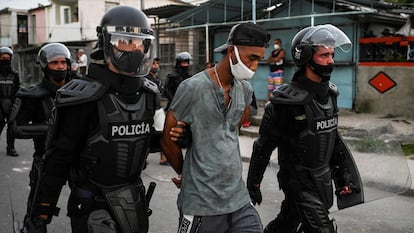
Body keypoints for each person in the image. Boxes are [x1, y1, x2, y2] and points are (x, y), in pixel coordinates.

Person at [22, 6, 159, 233]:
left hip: (133, 200)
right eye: (124, 41)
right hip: (92, 202)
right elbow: (58, 159)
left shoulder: (148, 94)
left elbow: (141, 139)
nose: (133, 49)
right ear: (107, 43)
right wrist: (41, 211)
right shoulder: (83, 96)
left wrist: (178, 138)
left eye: (138, 43)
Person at [247, 24, 363, 233]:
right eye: (324, 55)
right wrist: (254, 184)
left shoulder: (330, 96)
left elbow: (332, 139)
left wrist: (342, 178)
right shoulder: (285, 103)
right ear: (306, 57)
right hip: (298, 182)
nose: (331, 61)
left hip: (321, 179)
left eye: (332, 54)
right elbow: (263, 148)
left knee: (288, 222)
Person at [161, 22, 270, 233]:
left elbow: (234, 127)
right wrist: (186, 174)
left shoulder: (245, 90)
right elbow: (167, 140)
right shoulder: (192, 87)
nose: (255, 67)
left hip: (238, 199)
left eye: (259, 59)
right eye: (252, 58)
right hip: (201, 203)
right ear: (232, 51)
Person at [11, 42, 72, 231]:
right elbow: (16, 128)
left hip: (77, 161)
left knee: (87, 210)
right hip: (46, 160)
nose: (61, 67)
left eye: (64, 62)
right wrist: (51, 128)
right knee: (38, 214)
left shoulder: (79, 90)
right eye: (55, 63)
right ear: (45, 66)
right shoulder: (33, 95)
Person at [145, 57, 168, 165]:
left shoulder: (157, 80)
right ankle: (142, 158)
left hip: (158, 110)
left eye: (157, 63)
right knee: (145, 134)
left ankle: (163, 157)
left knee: (164, 132)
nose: (156, 65)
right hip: (147, 110)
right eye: (153, 63)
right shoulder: (145, 79)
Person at [0, 46, 20, 156]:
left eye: (7, 58)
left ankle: (10, 148)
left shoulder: (14, 75)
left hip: (11, 103)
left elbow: (17, 90)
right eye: (3, 58)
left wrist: (15, 104)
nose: (5, 60)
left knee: (12, 126)